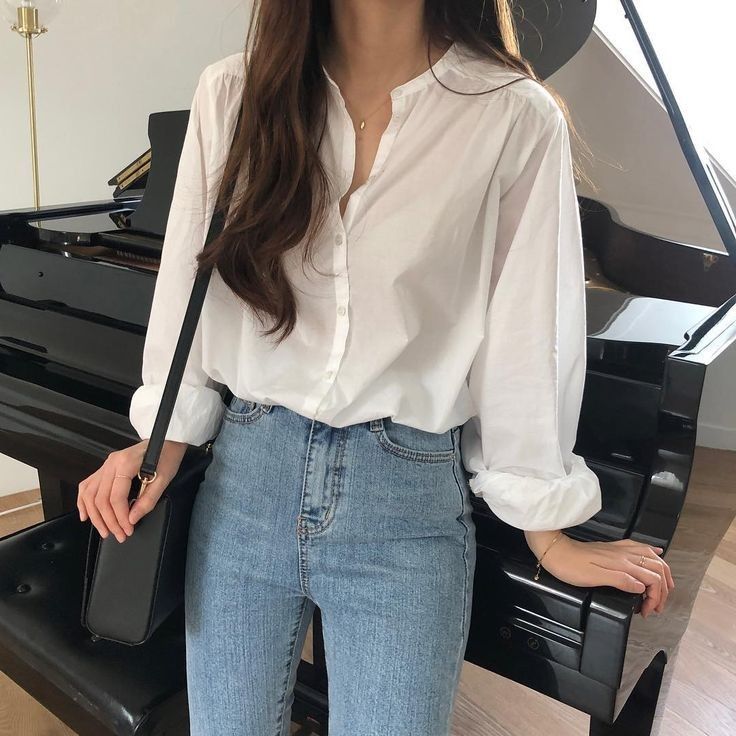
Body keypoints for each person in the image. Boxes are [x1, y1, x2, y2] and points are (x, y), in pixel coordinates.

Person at [77, 1, 674, 734]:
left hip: (406, 505)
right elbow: (188, 290)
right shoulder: (234, 94)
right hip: (245, 483)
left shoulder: (512, 118)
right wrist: (162, 435)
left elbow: (528, 336)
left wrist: (546, 528)